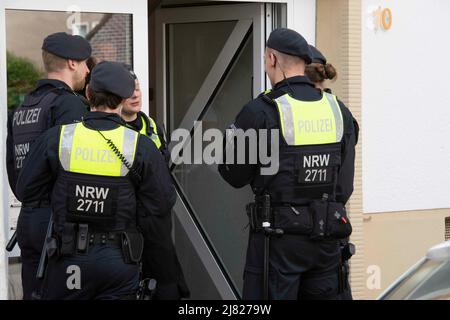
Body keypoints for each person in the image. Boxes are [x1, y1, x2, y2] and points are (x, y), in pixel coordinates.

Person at [15, 61, 179, 299]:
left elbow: (26, 190)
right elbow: (162, 202)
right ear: (124, 98)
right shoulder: (139, 145)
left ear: (89, 93)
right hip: (119, 260)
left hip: (69, 258)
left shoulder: (59, 137)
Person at [218, 28, 359, 300]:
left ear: (271, 58)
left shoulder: (261, 111)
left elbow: (233, 175)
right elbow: (344, 186)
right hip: (327, 240)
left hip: (279, 242)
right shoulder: (337, 110)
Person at [6, 31, 91, 299]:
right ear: (72, 63)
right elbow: (74, 170)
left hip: (29, 219)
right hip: (58, 222)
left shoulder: (23, 108)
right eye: (85, 63)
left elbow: (13, 167)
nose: (88, 70)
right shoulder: (68, 104)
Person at [306, 45, 357, 300]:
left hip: (302, 231)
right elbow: (345, 182)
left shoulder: (289, 110)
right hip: (334, 225)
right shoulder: (341, 112)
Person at [121, 65, 169, 162]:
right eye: (129, 91)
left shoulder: (152, 125)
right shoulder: (111, 129)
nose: (135, 95)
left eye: (137, 89)